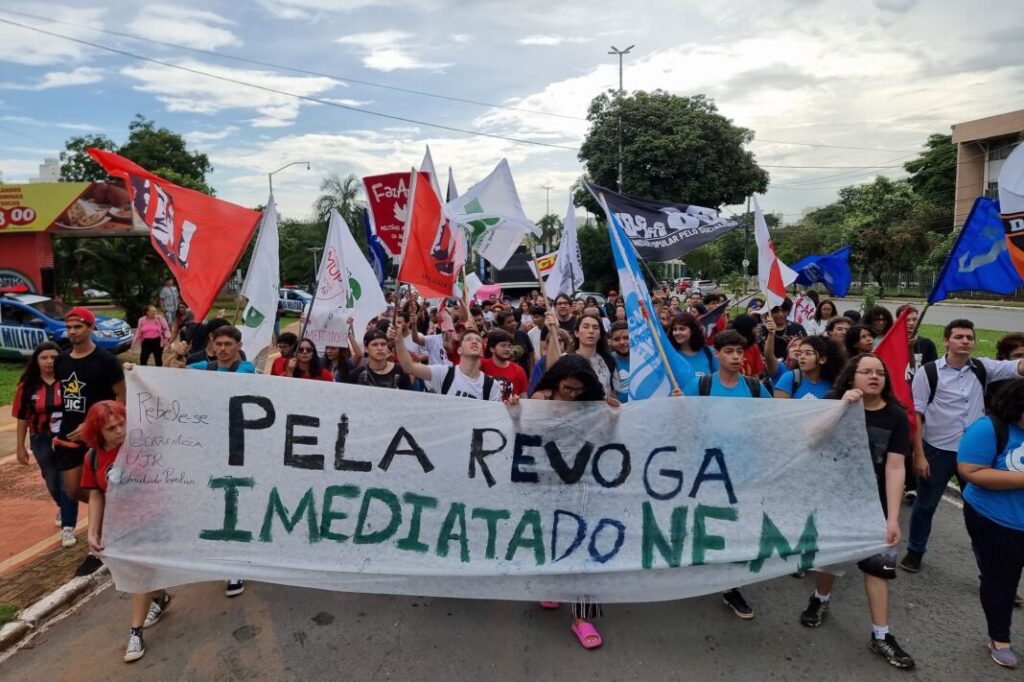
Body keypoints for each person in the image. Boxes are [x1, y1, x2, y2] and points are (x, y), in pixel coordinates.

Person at [797, 353, 915, 670]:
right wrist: (841, 408)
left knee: (878, 570)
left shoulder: (895, 416)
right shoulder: (834, 402)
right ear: (852, 377)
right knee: (832, 560)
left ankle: (881, 635)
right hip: (837, 502)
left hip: (875, 507)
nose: (874, 376)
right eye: (866, 371)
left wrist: (892, 517)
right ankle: (820, 599)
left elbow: (895, 466)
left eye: (880, 372)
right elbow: (811, 438)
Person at [901, 319, 1024, 573]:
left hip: (977, 456)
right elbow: (917, 414)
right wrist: (919, 455)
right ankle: (914, 552)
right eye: (959, 337)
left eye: (969, 337)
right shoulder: (929, 372)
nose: (965, 341)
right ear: (946, 341)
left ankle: (991, 571)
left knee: (982, 511)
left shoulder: (982, 368)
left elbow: (1017, 367)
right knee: (926, 504)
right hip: (938, 451)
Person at [531, 354, 620, 649]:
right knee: (550, 537)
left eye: (578, 391)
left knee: (582, 544)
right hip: (545, 483)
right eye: (567, 388)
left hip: (582, 482)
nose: (572, 395)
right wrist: (518, 411)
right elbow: (524, 433)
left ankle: (582, 617)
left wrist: (613, 417)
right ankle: (552, 584)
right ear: (556, 383)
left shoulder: (591, 404)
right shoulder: (540, 400)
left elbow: (605, 438)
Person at [683, 329, 770, 620]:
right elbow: (682, 420)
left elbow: (777, 420)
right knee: (708, 519)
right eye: (729, 352)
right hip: (707, 470)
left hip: (745, 470)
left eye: (739, 352)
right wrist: (677, 404)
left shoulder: (754, 387)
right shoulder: (703, 385)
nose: (736, 357)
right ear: (716, 354)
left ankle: (731, 586)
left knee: (737, 525)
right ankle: (704, 568)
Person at [78, 400, 173, 663]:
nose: (120, 431)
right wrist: (92, 532)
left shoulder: (140, 445)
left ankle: (135, 631)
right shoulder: (93, 458)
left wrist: (143, 378)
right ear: (98, 432)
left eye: (122, 424)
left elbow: (163, 415)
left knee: (139, 571)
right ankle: (161, 597)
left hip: (154, 520)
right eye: (111, 428)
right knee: (138, 572)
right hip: (122, 526)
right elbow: (95, 494)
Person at [53, 307, 125, 577]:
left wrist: (93, 424)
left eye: (79, 327)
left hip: (98, 439)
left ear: (91, 328)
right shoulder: (62, 361)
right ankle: (112, 521)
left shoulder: (106, 361)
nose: (73, 332)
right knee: (74, 490)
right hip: (69, 437)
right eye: (69, 327)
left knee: (97, 490)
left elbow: (122, 399)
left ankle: (98, 545)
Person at [957, 379, 1024, 668]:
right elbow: (970, 470)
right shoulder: (989, 428)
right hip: (994, 520)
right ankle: (999, 638)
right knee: (1002, 580)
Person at [187, 325, 254, 596]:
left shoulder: (246, 369)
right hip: (211, 446)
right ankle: (229, 559)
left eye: (229, 344)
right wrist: (172, 357)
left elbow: (231, 385)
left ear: (238, 345)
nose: (224, 349)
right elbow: (170, 376)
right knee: (218, 504)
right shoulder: (205, 367)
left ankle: (235, 565)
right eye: (219, 344)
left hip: (241, 446)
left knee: (234, 503)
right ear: (212, 345)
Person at [13, 341, 78, 547]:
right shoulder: (27, 386)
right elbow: (22, 417)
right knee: (51, 480)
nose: (49, 361)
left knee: (66, 480)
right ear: (37, 360)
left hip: (67, 438)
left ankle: (68, 527)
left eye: (53, 357)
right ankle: (62, 505)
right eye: (44, 357)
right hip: (40, 437)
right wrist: (20, 445)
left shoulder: (69, 380)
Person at [394, 320, 502, 401]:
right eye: (469, 339)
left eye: (478, 340)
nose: (474, 342)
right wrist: (398, 339)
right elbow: (408, 367)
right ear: (459, 350)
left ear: (482, 351)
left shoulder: (492, 386)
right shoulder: (444, 373)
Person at [547, 312, 618, 398]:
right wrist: (553, 331)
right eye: (585, 327)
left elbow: (612, 391)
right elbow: (551, 373)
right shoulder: (566, 360)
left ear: (600, 335)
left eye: (595, 328)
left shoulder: (608, 360)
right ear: (576, 333)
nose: (591, 331)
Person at [774, 337, 843, 400]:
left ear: (822, 359)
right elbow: (779, 410)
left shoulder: (832, 383)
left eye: (808, 353)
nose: (802, 357)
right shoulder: (789, 378)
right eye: (800, 353)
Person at [481, 330, 529, 399]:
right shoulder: (482, 365)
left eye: (509, 346)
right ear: (492, 349)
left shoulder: (519, 371)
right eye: (503, 345)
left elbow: (524, 398)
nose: (507, 349)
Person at [669, 313, 718, 377]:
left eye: (682, 329)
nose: (677, 333)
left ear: (692, 331)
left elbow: (720, 379)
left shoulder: (709, 352)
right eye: (675, 329)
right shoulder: (670, 355)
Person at [496, 312, 535, 379]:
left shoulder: (522, 334)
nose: (513, 323)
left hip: (525, 375)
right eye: (509, 322)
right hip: (507, 377)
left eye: (513, 320)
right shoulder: (497, 339)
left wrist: (531, 374)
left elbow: (531, 355)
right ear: (501, 325)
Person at [609, 321, 630, 403]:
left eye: (626, 338)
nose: (622, 342)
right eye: (617, 339)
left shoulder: (645, 358)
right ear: (610, 341)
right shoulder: (607, 361)